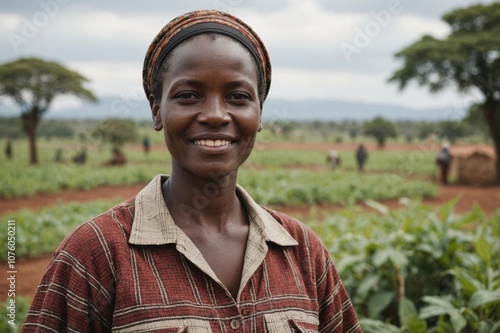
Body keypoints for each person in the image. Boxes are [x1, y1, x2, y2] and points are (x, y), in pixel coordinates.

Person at [23, 10, 361, 332]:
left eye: (238, 97)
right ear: (157, 111)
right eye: (188, 95)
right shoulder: (96, 253)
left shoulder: (302, 251)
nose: (215, 115)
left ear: (259, 114)